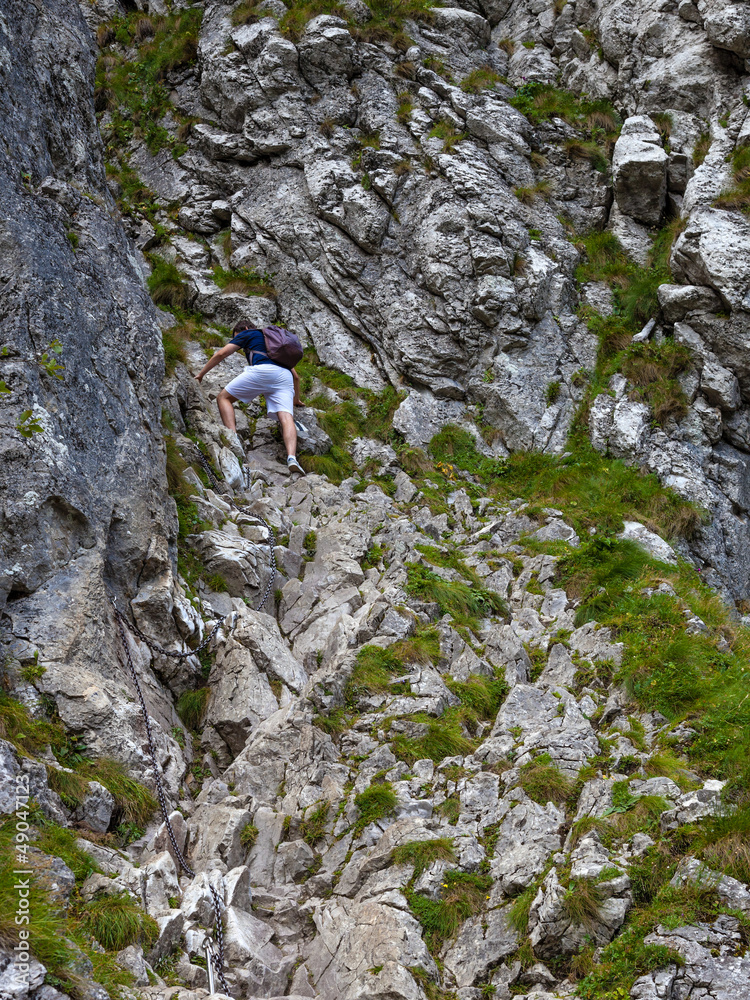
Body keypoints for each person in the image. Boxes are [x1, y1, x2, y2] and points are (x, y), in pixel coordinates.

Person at [194, 321, 306, 475]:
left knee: (223, 398)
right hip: (283, 377)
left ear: (245, 329)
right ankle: (292, 458)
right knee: (286, 418)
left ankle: (233, 440)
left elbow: (222, 353)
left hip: (262, 371)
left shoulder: (249, 333)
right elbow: (296, 377)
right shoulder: (276, 344)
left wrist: (201, 374)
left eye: (236, 337)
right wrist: (296, 399)